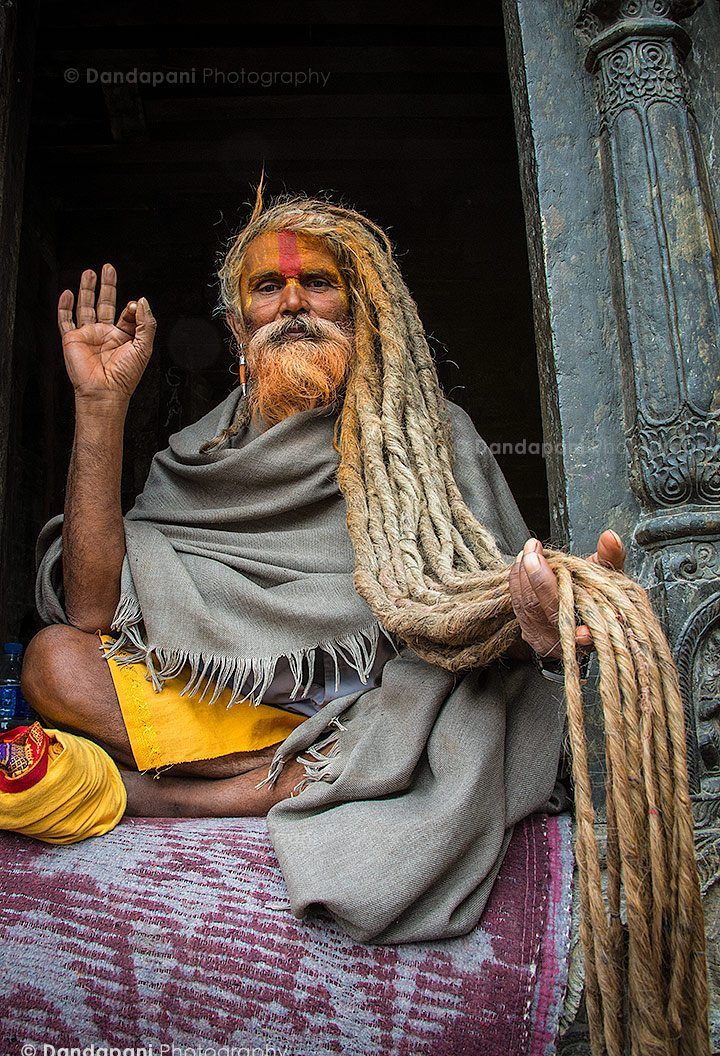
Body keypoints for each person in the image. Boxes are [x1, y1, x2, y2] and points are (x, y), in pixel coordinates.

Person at [1, 195, 625, 937]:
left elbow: (480, 611)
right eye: (268, 287)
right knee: (54, 665)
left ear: (360, 312)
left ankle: (160, 797)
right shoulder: (202, 453)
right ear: (239, 325)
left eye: (318, 284)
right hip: (247, 714)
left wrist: (530, 614)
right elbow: (93, 610)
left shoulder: (427, 435)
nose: (294, 300)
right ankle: (297, 780)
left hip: (378, 713)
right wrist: (100, 407)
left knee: (465, 712)